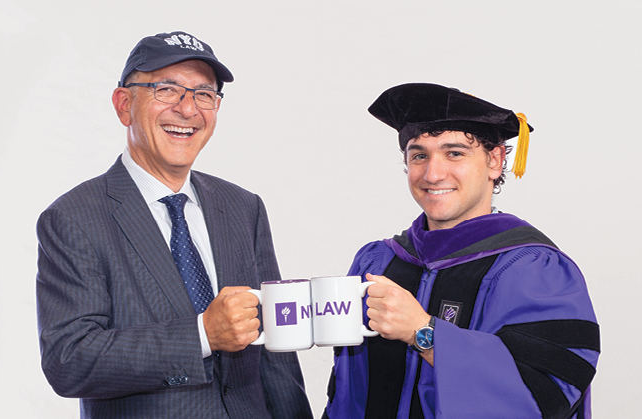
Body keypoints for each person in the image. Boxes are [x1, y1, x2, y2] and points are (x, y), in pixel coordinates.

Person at [35, 31, 313, 418]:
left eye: (204, 94)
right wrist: (202, 334)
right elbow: (70, 361)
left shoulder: (242, 207)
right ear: (124, 105)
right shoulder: (73, 218)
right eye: (167, 89)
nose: (187, 110)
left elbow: (274, 352)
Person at [322, 83, 600, 418]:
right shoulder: (379, 261)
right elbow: (345, 395)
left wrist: (423, 332)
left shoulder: (535, 270)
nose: (433, 173)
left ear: (495, 161)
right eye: (419, 155)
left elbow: (543, 396)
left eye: (455, 153)